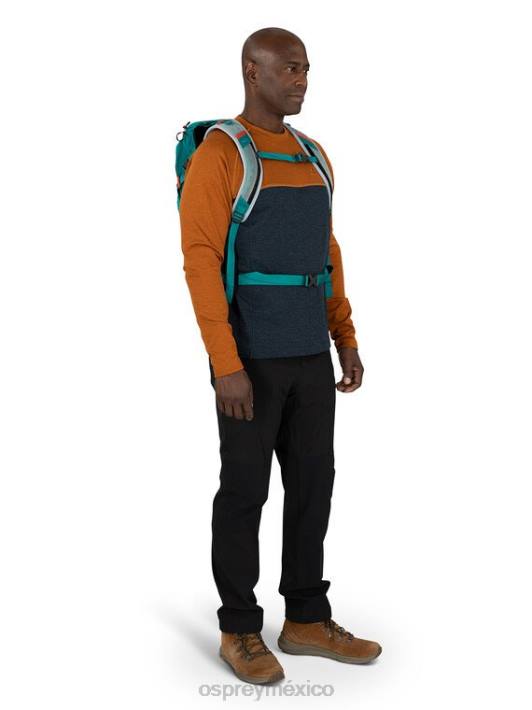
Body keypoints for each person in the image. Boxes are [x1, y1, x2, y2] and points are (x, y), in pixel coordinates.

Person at [179, 26, 382, 685]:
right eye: (290, 69)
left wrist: (344, 336)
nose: (302, 80)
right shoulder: (222, 154)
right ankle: (239, 628)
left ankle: (305, 620)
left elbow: (327, 252)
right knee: (245, 492)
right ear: (252, 71)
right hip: (251, 361)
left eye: (306, 69)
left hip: (310, 356)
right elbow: (200, 262)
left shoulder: (313, 154)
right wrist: (226, 364)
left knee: (313, 487)